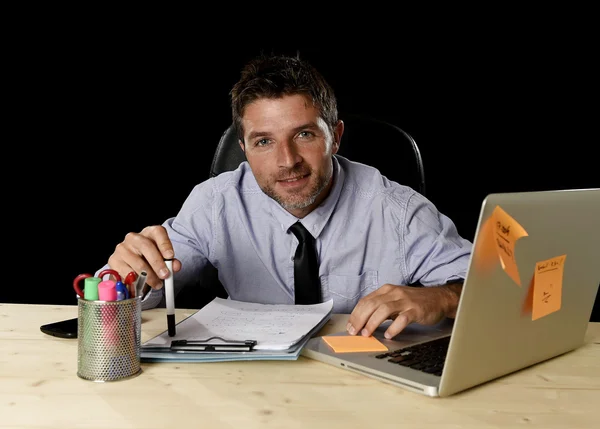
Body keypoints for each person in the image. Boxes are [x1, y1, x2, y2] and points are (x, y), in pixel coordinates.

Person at [102, 53, 473, 340]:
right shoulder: (215, 203)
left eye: (305, 135)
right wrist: (125, 279)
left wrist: (443, 298)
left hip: (364, 387)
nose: (287, 161)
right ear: (244, 148)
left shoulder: (398, 210)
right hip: (246, 388)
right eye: (264, 141)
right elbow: (145, 287)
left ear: (336, 136)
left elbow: (507, 290)